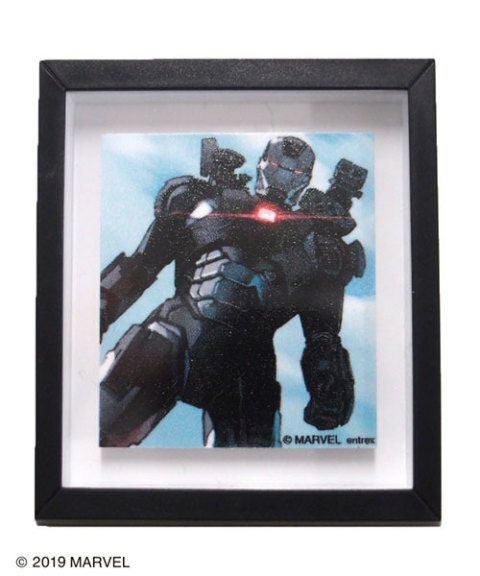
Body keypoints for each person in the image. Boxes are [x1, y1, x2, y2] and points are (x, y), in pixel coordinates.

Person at [99, 136, 367, 447]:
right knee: (98, 432)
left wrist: (330, 384)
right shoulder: (205, 203)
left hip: (247, 364)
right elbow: (140, 267)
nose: (283, 177)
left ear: (306, 179)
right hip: (177, 332)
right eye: (277, 165)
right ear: (262, 164)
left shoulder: (317, 246)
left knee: (249, 466)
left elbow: (322, 333)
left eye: (295, 173)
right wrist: (97, 310)